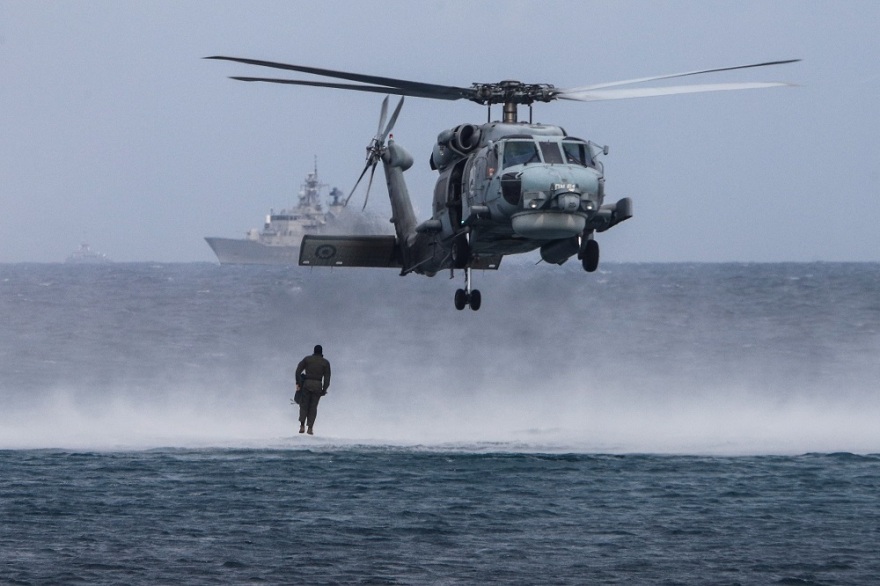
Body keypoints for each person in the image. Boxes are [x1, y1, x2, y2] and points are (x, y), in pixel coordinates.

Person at [295, 344, 331, 435]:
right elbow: (327, 378)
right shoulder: (325, 363)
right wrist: (324, 389)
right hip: (317, 385)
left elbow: (298, 371)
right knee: (313, 407)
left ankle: (302, 426)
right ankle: (310, 428)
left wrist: (298, 382)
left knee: (304, 405)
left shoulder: (307, 359)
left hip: (306, 384)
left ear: (314, 351)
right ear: (321, 352)